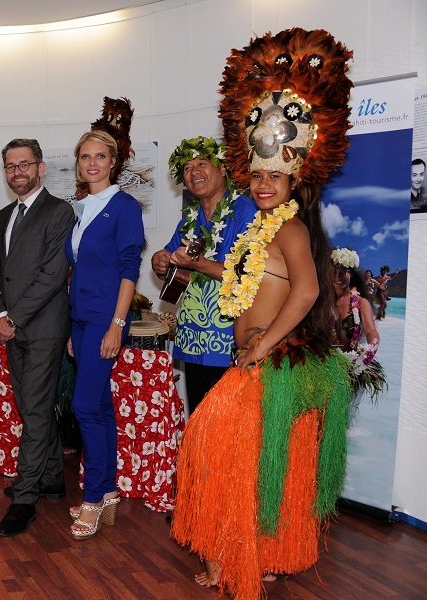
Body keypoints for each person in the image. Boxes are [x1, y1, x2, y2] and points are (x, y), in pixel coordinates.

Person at [171, 28, 354, 598]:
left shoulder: (292, 227)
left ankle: (229, 562)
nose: (264, 183)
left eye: (275, 175)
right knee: (258, 466)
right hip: (256, 361)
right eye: (256, 174)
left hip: (268, 366)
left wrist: (263, 345)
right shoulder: (259, 228)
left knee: (215, 452)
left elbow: (306, 292)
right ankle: (265, 557)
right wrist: (197, 267)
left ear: (294, 177)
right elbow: (242, 284)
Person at [0, 139, 74, 537]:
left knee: (35, 410)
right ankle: (52, 477)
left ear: (40, 168)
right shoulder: (5, 215)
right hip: (13, 328)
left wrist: (14, 317)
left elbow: (53, 275)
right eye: (11, 166)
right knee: (30, 406)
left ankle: (24, 499)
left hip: (44, 328)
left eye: (25, 164)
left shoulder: (59, 211)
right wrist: (0, 315)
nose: (17, 172)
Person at [65, 129, 144, 540]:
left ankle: (93, 498)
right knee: (98, 406)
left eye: (100, 157)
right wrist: (72, 326)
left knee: (83, 407)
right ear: (78, 163)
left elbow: (130, 269)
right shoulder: (82, 207)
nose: (92, 163)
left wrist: (116, 324)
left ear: (113, 162)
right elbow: (79, 268)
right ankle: (109, 489)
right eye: (85, 157)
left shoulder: (124, 206)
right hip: (82, 319)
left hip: (105, 320)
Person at [152, 137, 257, 414]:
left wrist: (200, 264)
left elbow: (247, 275)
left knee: (226, 422)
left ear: (222, 169)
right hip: (192, 337)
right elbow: (169, 258)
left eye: (202, 164)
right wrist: (159, 261)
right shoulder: (190, 218)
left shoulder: (245, 211)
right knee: (198, 417)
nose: (194, 172)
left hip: (230, 338)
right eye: (187, 168)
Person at [331, 248, 385, 408]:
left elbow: (370, 330)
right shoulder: (324, 302)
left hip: (353, 367)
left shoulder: (361, 303)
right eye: (334, 272)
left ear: (351, 274)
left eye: (343, 272)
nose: (338, 277)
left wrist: (372, 345)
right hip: (328, 363)